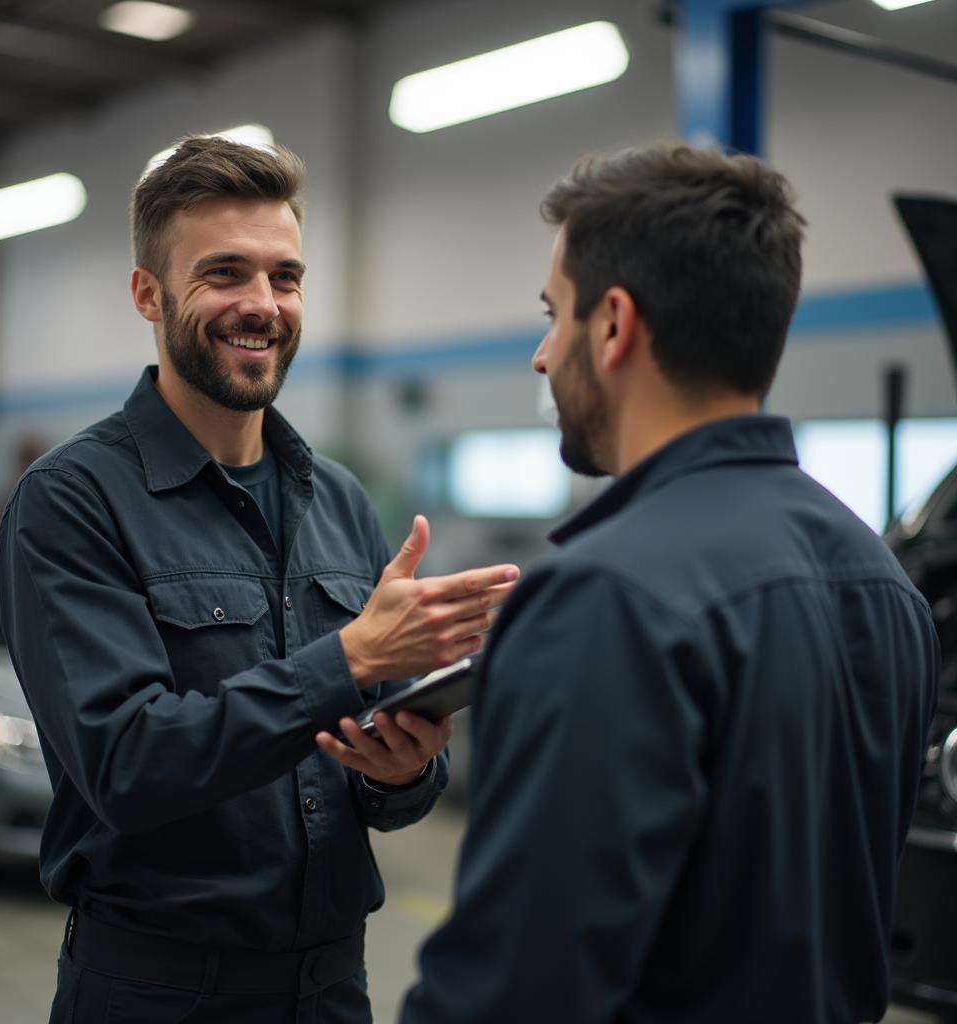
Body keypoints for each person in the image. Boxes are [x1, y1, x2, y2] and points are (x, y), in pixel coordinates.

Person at [399, 143, 940, 1024]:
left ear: (613, 326)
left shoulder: (604, 598)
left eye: (554, 314)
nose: (541, 356)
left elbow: (513, 992)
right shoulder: (885, 586)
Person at [0, 135, 518, 1024]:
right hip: (156, 994)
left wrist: (401, 772)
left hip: (331, 986)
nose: (263, 305)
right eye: (225, 273)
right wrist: (347, 658)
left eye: (286, 276)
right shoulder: (72, 501)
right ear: (148, 295)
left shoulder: (338, 501)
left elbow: (378, 779)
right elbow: (126, 764)